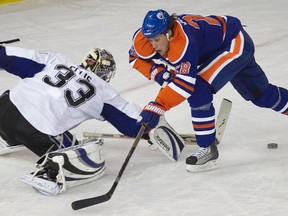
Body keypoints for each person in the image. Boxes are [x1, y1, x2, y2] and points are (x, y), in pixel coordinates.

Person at [130, 9, 288, 172]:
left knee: (198, 89)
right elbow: (134, 58)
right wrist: (157, 72)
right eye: (150, 40)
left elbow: (185, 86)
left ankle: (208, 149)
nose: (153, 45)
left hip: (234, 44)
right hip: (222, 46)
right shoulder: (146, 39)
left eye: (157, 39)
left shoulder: (184, 42)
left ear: (169, 33)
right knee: (262, 96)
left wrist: (157, 106)